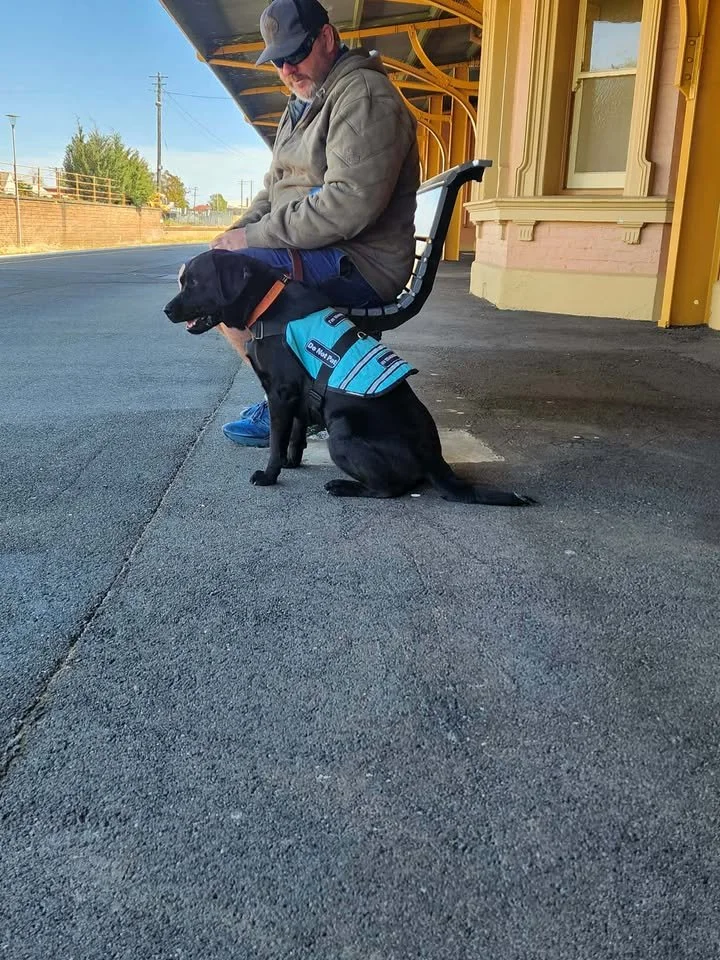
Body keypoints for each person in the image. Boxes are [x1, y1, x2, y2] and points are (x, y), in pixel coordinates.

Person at [210, 0, 419, 447]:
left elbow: (347, 205)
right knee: (213, 271)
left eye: (295, 54)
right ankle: (292, 398)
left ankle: (295, 404)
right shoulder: (301, 104)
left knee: (227, 294)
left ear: (326, 38)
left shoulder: (362, 96)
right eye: (278, 60)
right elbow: (272, 190)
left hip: (360, 261)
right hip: (319, 249)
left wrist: (253, 238)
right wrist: (232, 235)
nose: (287, 69)